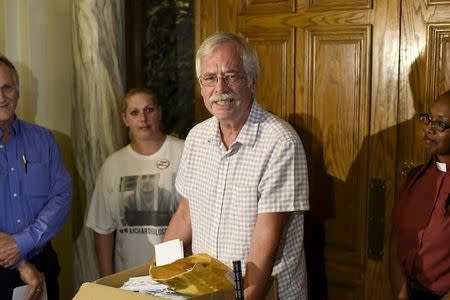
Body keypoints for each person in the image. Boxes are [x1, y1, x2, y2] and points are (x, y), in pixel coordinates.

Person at [162, 32, 309, 300]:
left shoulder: (280, 142)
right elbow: (184, 215)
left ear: (252, 81)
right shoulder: (196, 137)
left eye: (231, 76)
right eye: (210, 78)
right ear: (201, 85)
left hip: (264, 292)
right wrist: (160, 278)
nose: (220, 88)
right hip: (207, 291)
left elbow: (267, 237)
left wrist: (245, 298)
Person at [86, 88, 184, 277]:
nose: (143, 118)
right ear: (125, 119)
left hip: (178, 277)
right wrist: (108, 281)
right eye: (134, 112)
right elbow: (103, 228)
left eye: (149, 110)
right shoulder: (113, 165)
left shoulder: (183, 152)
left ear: (160, 112)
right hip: (130, 280)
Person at [0, 55, 72, 300]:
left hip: (43, 263)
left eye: (6, 88)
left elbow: (61, 197)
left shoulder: (43, 140)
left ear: (18, 91)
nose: (1, 98)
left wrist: (23, 242)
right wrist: (20, 263)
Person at [389, 90, 450, 300]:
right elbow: (396, 238)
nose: (429, 129)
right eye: (428, 119)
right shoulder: (415, 177)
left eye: (440, 124)